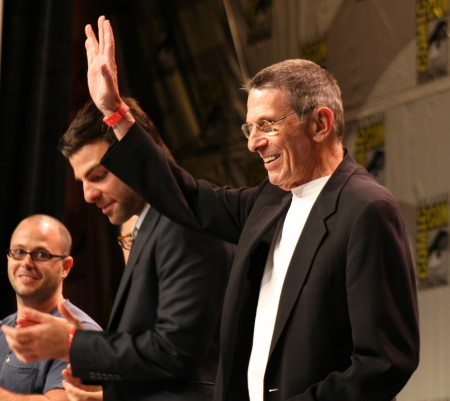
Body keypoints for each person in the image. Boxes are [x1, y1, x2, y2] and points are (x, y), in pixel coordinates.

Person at [6, 16, 420, 401]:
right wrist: (116, 113)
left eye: (267, 125)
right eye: (249, 127)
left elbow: (384, 361)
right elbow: (187, 196)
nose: (253, 142)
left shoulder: (366, 209)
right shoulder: (269, 201)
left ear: (320, 124)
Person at [3, 95, 234, 401]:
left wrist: (72, 343)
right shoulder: (153, 227)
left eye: (98, 176)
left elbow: (176, 352)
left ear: (137, 153)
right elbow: (154, 357)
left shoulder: (183, 223)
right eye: (81, 181)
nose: (87, 195)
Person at [0, 214, 101, 401]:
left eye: (41, 255)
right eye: (19, 252)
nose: (26, 263)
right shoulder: (4, 327)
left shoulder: (81, 334)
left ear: (66, 267)